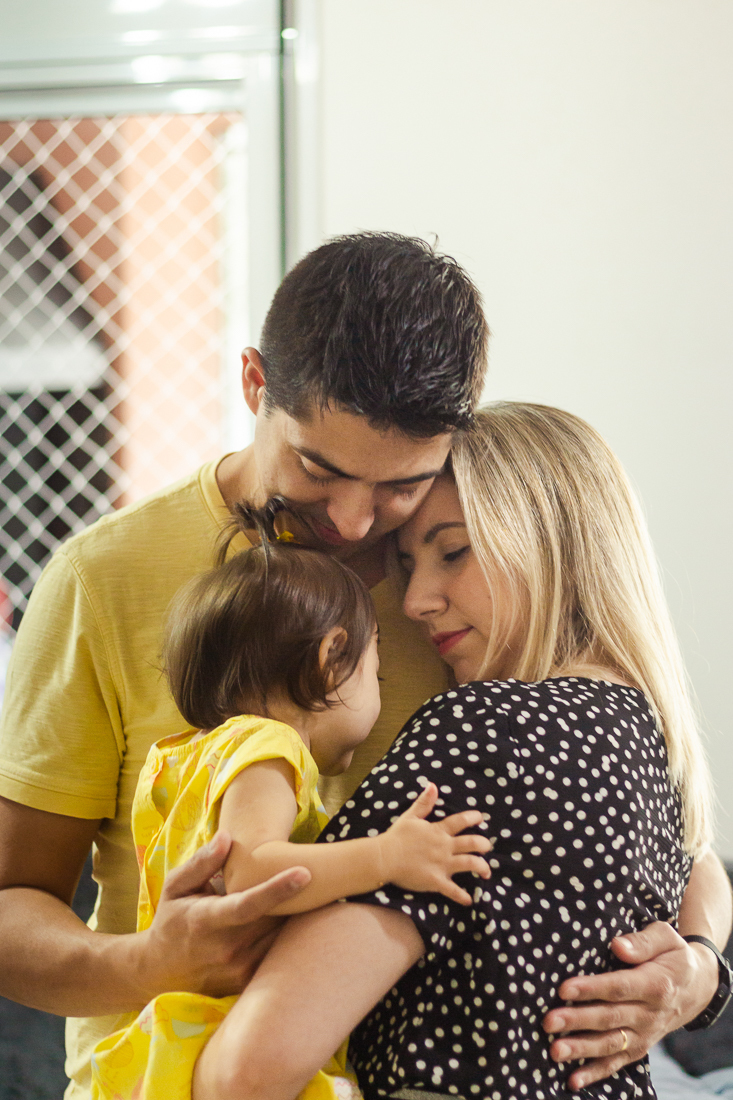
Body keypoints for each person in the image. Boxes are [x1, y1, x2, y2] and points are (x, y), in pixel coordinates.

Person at [0, 234, 728, 1100]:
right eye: (317, 467)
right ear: (253, 384)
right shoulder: (102, 578)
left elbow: (671, 833)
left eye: (399, 486)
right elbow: (15, 902)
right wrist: (148, 959)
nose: (351, 523)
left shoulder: (475, 592)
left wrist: (699, 969)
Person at [190, 403, 722, 1100]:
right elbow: (701, 860)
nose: (413, 602)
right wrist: (706, 961)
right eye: (407, 565)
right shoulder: (652, 742)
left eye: (453, 551)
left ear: (550, 538)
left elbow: (245, 1073)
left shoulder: (481, 732)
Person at [91, 502, 492, 1100]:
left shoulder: (187, 755)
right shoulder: (268, 746)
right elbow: (253, 869)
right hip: (222, 1030)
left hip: (174, 1037)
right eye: (374, 676)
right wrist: (386, 856)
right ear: (332, 660)